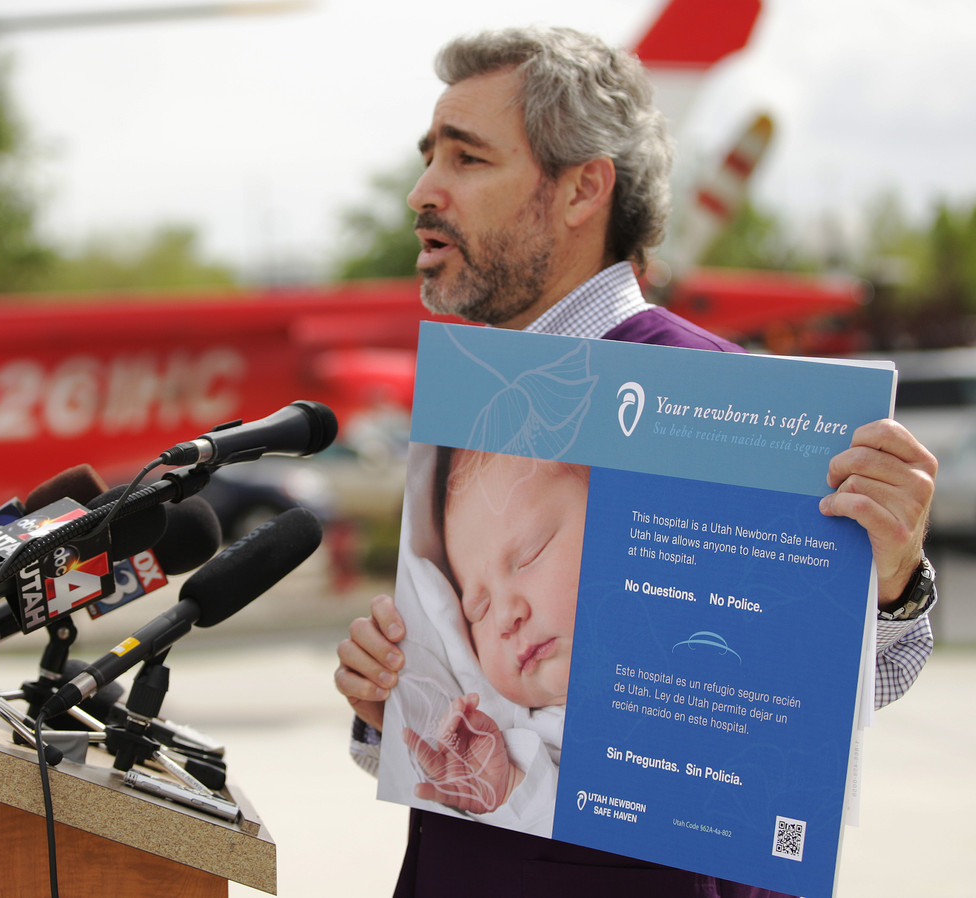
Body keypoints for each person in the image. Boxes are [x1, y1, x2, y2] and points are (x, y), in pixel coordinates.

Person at [333, 25, 939, 898]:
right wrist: (394, 705)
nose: (423, 191)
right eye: (429, 157)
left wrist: (892, 585)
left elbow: (831, 698)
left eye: (467, 158)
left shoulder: (725, 405)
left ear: (584, 188)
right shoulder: (474, 405)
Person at [391, 449, 589, 832]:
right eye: (478, 609)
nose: (503, 618)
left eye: (530, 555)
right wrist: (511, 790)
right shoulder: (521, 739)